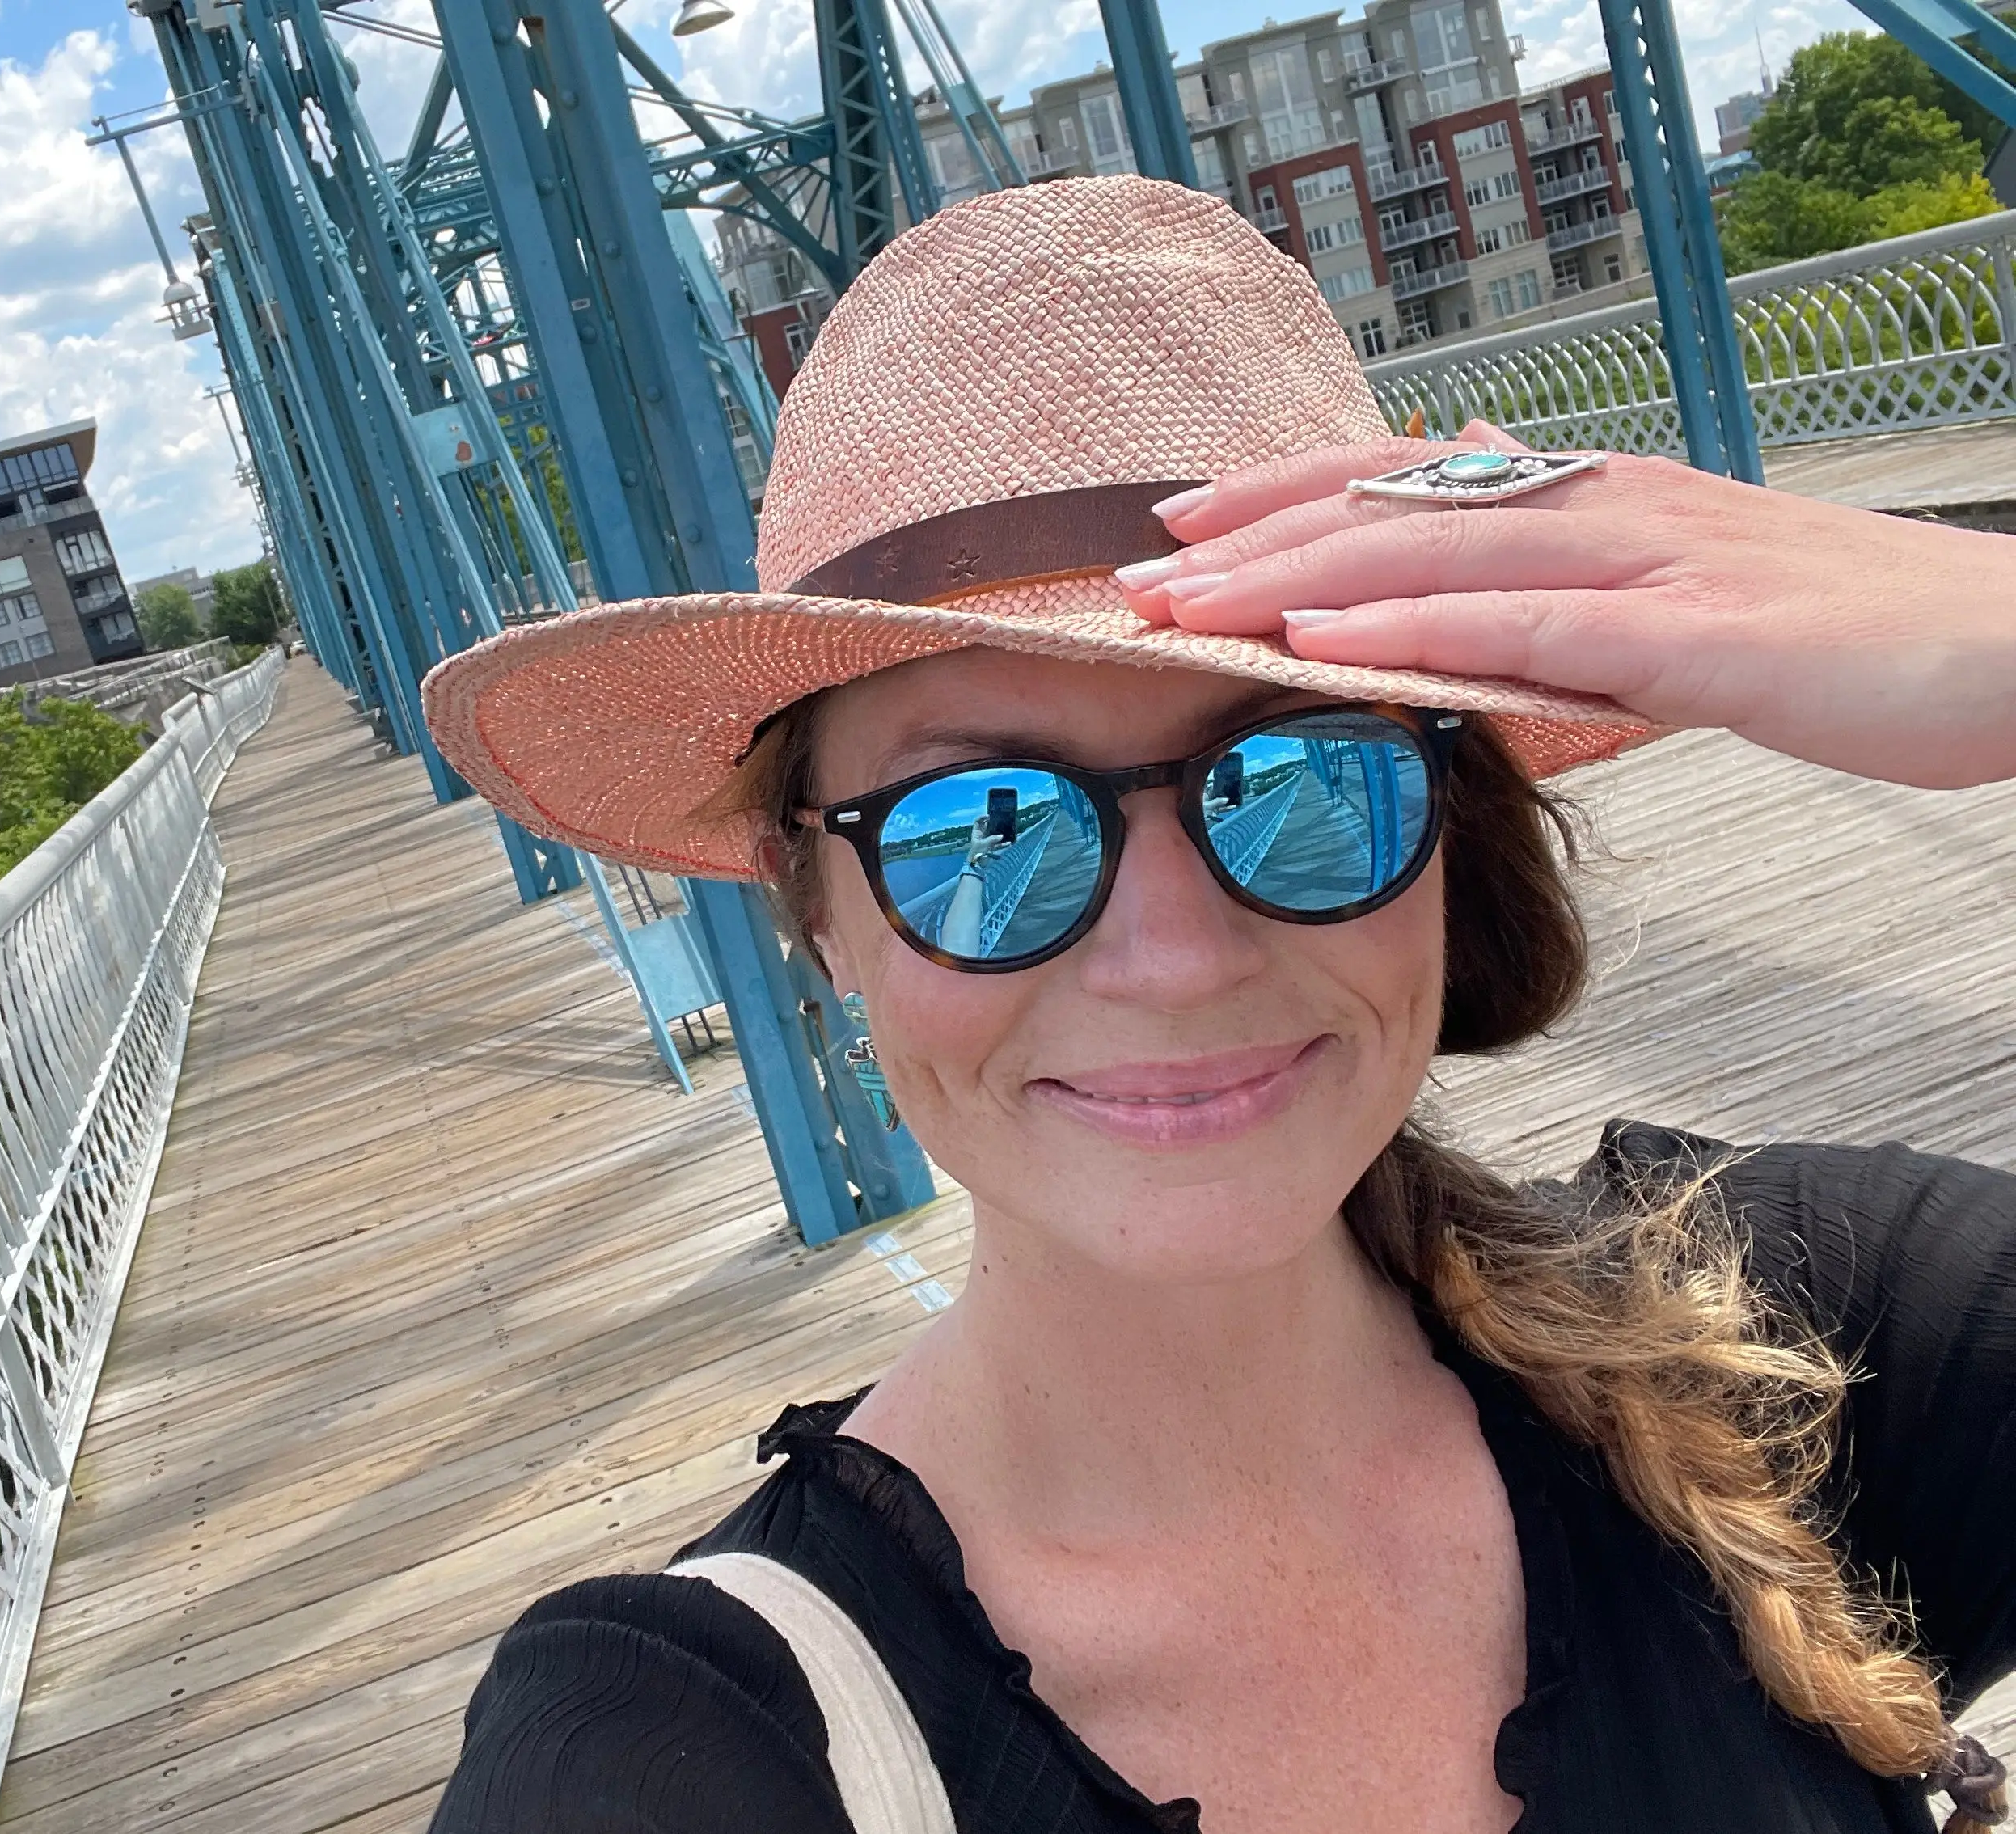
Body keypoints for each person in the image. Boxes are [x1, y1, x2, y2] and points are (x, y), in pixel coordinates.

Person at [417, 176, 2016, 1833]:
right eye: (985, 835)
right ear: (816, 907)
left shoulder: (1787, 1342)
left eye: (1304, 778)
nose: (1175, 959)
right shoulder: (698, 1736)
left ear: (1446, 831)